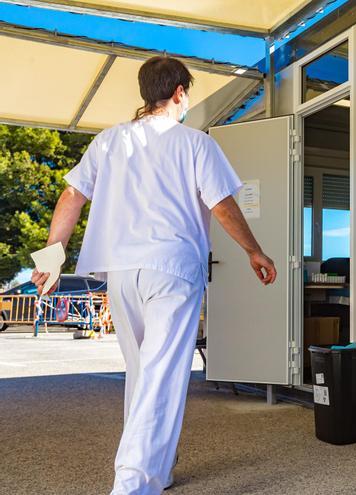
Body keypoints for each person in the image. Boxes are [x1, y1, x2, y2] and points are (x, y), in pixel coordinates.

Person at [31, 56, 276, 495]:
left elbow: (72, 194)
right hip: (173, 270)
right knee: (161, 374)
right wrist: (253, 250)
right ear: (180, 92)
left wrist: (52, 256)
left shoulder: (108, 141)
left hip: (122, 272)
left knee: (144, 374)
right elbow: (221, 204)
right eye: (187, 95)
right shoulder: (194, 143)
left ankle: (156, 472)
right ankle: (130, 484)